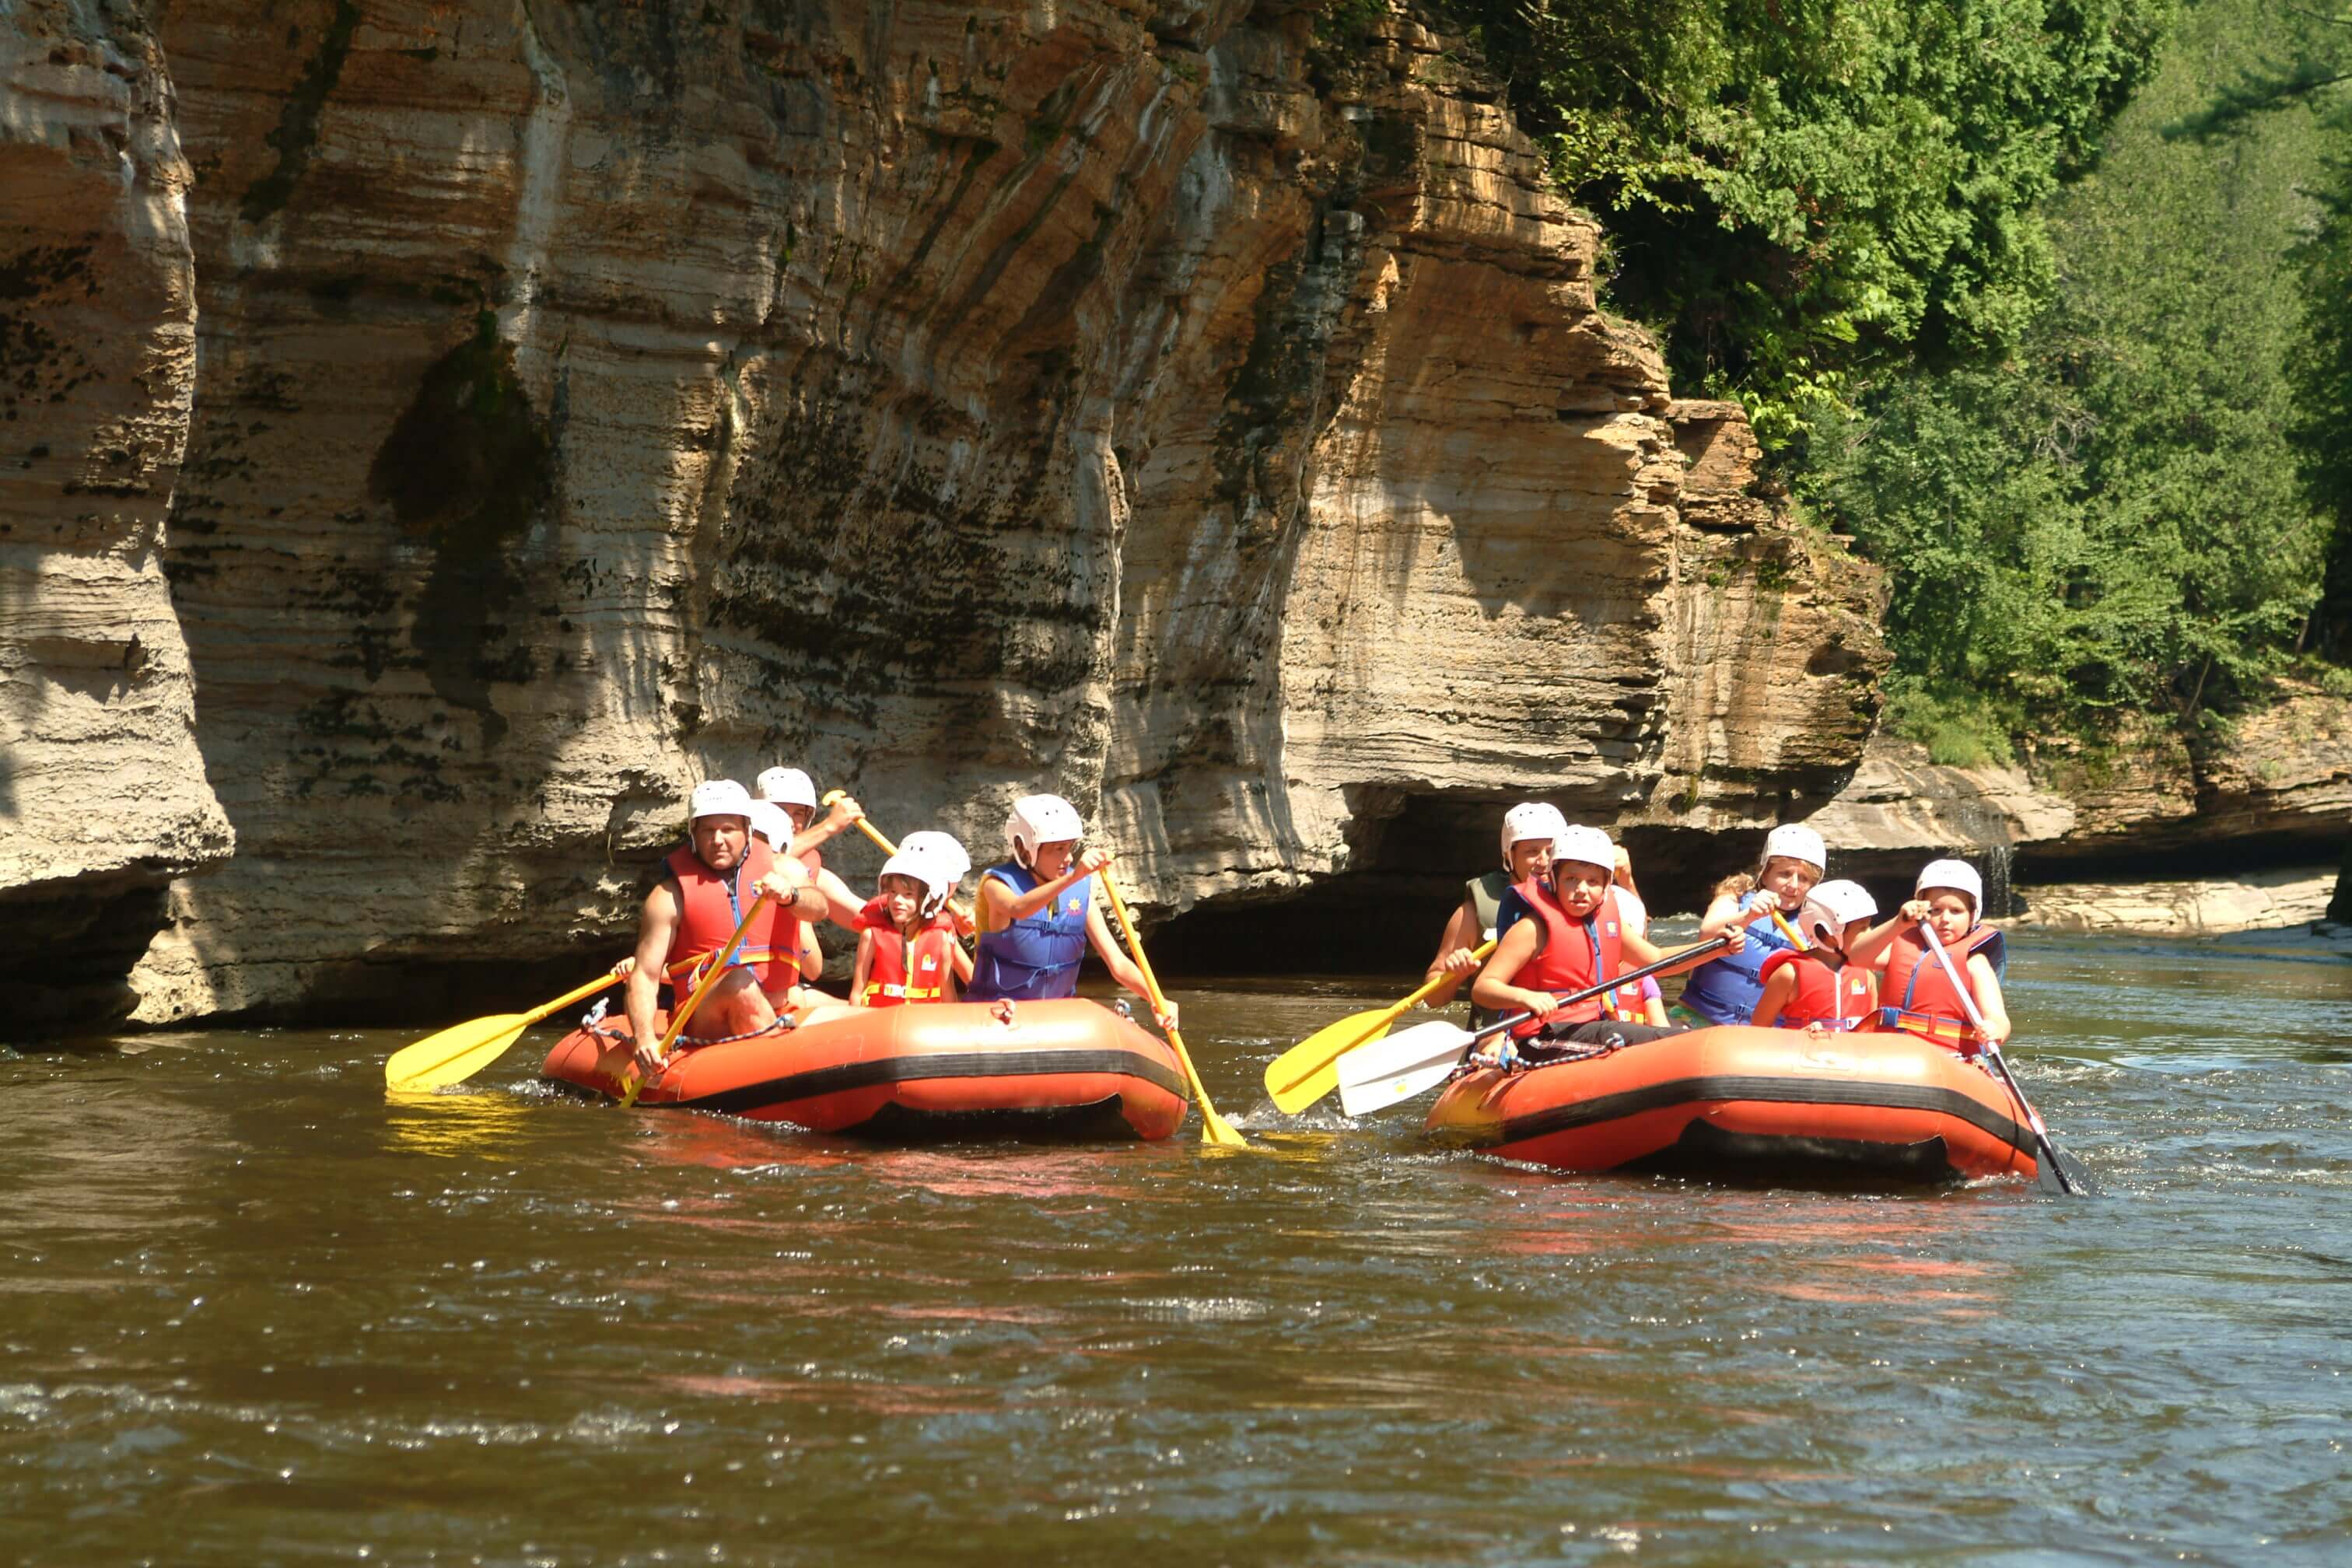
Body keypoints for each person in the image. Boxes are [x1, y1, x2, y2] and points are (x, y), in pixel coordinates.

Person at [1470, 825, 1739, 1055]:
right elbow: (1484, 988)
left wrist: (1715, 948)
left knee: (1646, 1035)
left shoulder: (1608, 924)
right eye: (1571, 879)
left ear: (1606, 887)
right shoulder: (1532, 928)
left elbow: (1657, 960)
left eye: (1592, 881)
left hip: (1591, 1026)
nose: (1581, 890)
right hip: (1541, 1036)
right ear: (1553, 880)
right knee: (1649, 1040)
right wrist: (1525, 997)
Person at [624, 779, 830, 1078]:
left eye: (728, 829)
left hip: (779, 1006)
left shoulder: (783, 869)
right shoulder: (669, 896)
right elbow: (645, 974)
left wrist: (791, 896)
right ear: (693, 835)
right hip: (708, 1017)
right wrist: (644, 1038)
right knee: (740, 984)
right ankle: (782, 1072)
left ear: (747, 830)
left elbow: (819, 907)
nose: (718, 839)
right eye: (708, 830)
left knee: (819, 1002)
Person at [964, 793, 1174, 1028]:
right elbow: (1018, 908)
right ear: (1025, 851)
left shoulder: (1079, 894)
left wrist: (1157, 999)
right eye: (1058, 849)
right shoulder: (997, 885)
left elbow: (1118, 964)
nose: (1068, 858)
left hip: (1055, 1018)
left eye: (1070, 848)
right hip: (998, 1016)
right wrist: (1075, 876)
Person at [1422, 803, 1567, 1025]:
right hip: (1494, 1036)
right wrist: (1457, 973)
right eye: (1531, 851)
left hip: (1563, 1027)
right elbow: (1433, 999)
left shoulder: (1579, 901)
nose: (1544, 861)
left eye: (1551, 851)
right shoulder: (1471, 914)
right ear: (1510, 855)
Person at [1844, 858, 2011, 1050]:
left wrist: (1993, 1028)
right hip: (1889, 1051)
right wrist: (1898, 924)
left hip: (1947, 1057)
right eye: (1936, 910)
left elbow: (1999, 1018)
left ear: (1972, 915)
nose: (1945, 919)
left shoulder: (1975, 962)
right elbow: (1857, 957)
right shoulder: (1902, 944)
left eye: (1956, 911)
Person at [1676, 824, 1828, 1027]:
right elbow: (1707, 933)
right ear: (1765, 874)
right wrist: (1749, 916)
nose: (1793, 886)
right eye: (1784, 874)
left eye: (1804, 879)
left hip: (1761, 1037)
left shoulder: (1820, 925)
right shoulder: (1736, 896)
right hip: (1701, 1021)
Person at [1751, 880, 1880, 1031]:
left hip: (1851, 1054)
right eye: (1862, 928)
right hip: (1802, 1054)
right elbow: (1758, 1031)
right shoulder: (1789, 975)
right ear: (1830, 933)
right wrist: (1797, 1038)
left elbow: (1873, 1031)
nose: (1870, 934)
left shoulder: (1867, 974)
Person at [852, 849, 974, 1006]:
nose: (897, 900)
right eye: (893, 892)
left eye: (908, 894)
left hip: (924, 1023)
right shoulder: (871, 935)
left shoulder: (941, 938)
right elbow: (857, 992)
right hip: (882, 1020)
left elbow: (948, 994)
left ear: (926, 900)